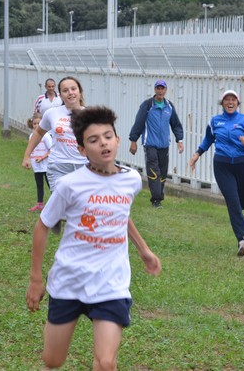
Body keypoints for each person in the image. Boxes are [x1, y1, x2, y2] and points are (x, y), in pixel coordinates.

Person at [26, 106, 161, 371]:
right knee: (53, 361)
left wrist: (144, 250)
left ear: (117, 140)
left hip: (110, 283)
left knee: (106, 362)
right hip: (70, 280)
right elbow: (42, 226)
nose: (103, 144)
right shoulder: (70, 185)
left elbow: (120, 214)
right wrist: (35, 279)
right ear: (82, 149)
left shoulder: (131, 180)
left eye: (107, 136)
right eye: (93, 140)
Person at [188, 90, 244, 257]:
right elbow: (208, 139)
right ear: (222, 103)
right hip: (222, 165)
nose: (230, 102)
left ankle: (242, 230)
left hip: (242, 164)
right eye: (226, 100)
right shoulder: (215, 122)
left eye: (233, 99)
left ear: (237, 103)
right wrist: (197, 154)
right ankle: (242, 241)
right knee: (232, 202)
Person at [22, 76, 88, 193]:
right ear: (60, 95)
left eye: (73, 89)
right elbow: (38, 133)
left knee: (80, 206)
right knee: (60, 205)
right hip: (58, 166)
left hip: (83, 166)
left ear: (80, 92)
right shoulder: (52, 113)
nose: (70, 93)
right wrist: (27, 155)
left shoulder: (90, 114)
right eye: (65, 90)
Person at [128, 79, 184, 209]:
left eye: (162, 88)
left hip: (164, 145)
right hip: (150, 145)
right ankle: (156, 200)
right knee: (154, 172)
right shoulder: (147, 106)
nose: (160, 91)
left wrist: (179, 140)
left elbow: (176, 124)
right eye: (158, 88)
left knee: (163, 173)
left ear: (165, 90)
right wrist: (133, 141)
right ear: (155, 90)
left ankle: (159, 198)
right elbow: (139, 123)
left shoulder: (169, 106)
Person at [27, 113, 52, 212]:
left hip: (46, 166)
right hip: (36, 166)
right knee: (39, 185)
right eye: (34, 124)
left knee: (51, 186)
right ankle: (40, 204)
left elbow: (51, 149)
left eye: (39, 123)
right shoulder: (31, 136)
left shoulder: (46, 136)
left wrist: (42, 158)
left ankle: (56, 205)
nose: (36, 126)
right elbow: (31, 149)